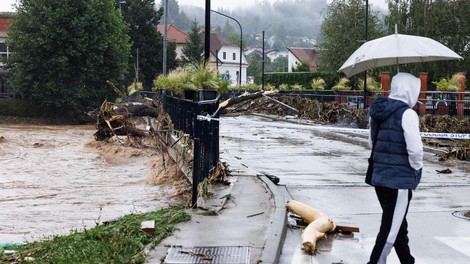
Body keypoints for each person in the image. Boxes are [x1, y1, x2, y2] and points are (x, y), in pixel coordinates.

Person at [367, 72, 424, 264]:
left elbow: (371, 142)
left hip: (379, 178)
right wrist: (416, 169)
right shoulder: (408, 114)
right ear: (409, 90)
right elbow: (415, 151)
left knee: (398, 224)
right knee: (390, 229)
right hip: (398, 180)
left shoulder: (377, 111)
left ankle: (407, 261)